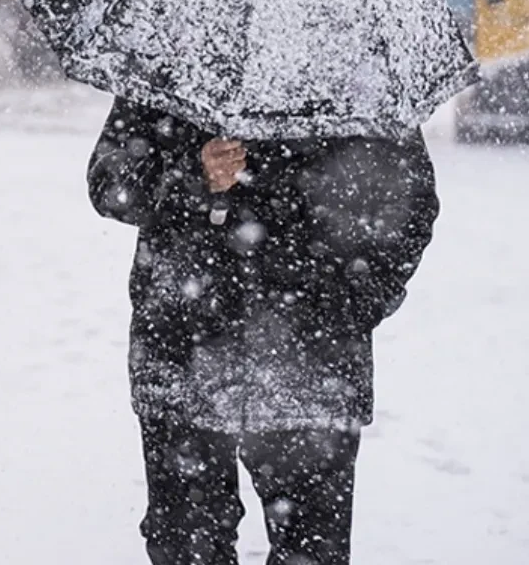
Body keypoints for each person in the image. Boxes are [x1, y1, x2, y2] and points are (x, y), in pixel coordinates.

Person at [88, 98, 439, 565]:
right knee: (186, 547)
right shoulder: (174, 58)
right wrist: (193, 175)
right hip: (185, 354)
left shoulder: (352, 71)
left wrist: (351, 305)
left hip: (311, 367)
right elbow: (109, 182)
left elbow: (410, 202)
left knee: (311, 552)